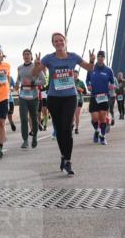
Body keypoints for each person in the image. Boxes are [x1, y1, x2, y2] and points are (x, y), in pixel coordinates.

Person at [31, 33, 95, 176]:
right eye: (56, 41)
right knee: (59, 130)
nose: (59, 43)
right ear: (53, 44)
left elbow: (90, 69)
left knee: (67, 128)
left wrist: (92, 61)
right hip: (54, 98)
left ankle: (68, 161)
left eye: (61, 40)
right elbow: (33, 74)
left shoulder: (73, 57)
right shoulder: (49, 58)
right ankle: (63, 155)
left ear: (65, 42)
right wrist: (36, 66)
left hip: (70, 97)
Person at [15, 48, 46, 149]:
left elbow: (43, 81)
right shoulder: (19, 68)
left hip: (33, 96)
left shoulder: (36, 67)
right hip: (23, 95)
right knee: (23, 119)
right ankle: (25, 140)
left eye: (28, 54)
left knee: (34, 118)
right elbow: (19, 79)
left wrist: (32, 83)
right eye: (25, 54)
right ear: (23, 56)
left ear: (31, 56)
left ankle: (35, 137)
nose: (26, 56)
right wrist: (16, 84)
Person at [86, 51, 115, 145]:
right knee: (95, 118)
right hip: (94, 96)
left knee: (102, 118)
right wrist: (88, 86)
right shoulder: (91, 69)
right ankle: (97, 131)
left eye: (102, 57)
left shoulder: (108, 70)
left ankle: (102, 137)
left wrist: (112, 85)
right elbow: (87, 80)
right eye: (98, 56)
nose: (100, 58)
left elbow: (112, 82)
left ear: (104, 58)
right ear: (97, 58)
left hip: (104, 96)